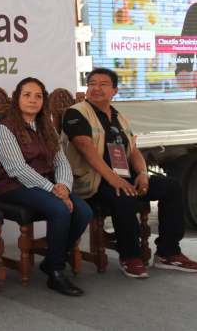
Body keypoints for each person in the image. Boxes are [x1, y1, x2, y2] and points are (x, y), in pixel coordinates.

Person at [63, 67, 197, 278]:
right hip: (93, 182)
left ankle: (168, 252)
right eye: (92, 83)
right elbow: (86, 149)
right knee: (122, 194)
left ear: (114, 91)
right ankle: (130, 256)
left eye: (103, 84)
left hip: (123, 176)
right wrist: (115, 179)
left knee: (170, 186)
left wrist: (142, 173)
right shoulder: (76, 113)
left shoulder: (118, 116)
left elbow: (133, 150)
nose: (96, 88)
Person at [0, 77, 92, 296]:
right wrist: (54, 190)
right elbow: (17, 169)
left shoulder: (47, 127)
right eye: (27, 95)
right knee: (60, 209)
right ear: (17, 98)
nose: (32, 100)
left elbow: (61, 161)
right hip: (14, 187)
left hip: (46, 186)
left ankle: (52, 258)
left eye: (38, 96)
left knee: (84, 211)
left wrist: (63, 185)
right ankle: (56, 272)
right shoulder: (4, 130)